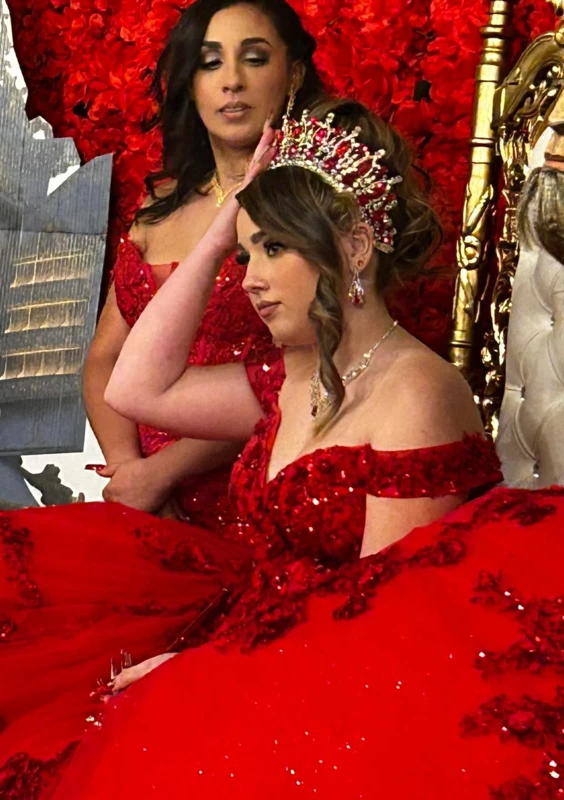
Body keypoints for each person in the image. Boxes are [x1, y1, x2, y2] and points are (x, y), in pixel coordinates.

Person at [50, 104, 563, 799]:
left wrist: (201, 669)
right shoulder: (293, 376)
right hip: (258, 637)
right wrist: (223, 223)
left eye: (272, 249)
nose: (250, 278)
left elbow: (374, 622)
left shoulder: (416, 391)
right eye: (245, 252)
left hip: (349, 682)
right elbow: (138, 387)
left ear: (354, 246)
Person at [82, 0, 327, 526]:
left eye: (255, 59)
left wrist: (165, 471)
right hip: (141, 496)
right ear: (190, 83)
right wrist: (130, 472)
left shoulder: (311, 206)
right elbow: (105, 355)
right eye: (211, 62)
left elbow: (302, 378)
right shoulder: (159, 203)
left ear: (294, 74)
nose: (231, 81)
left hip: (255, 489)